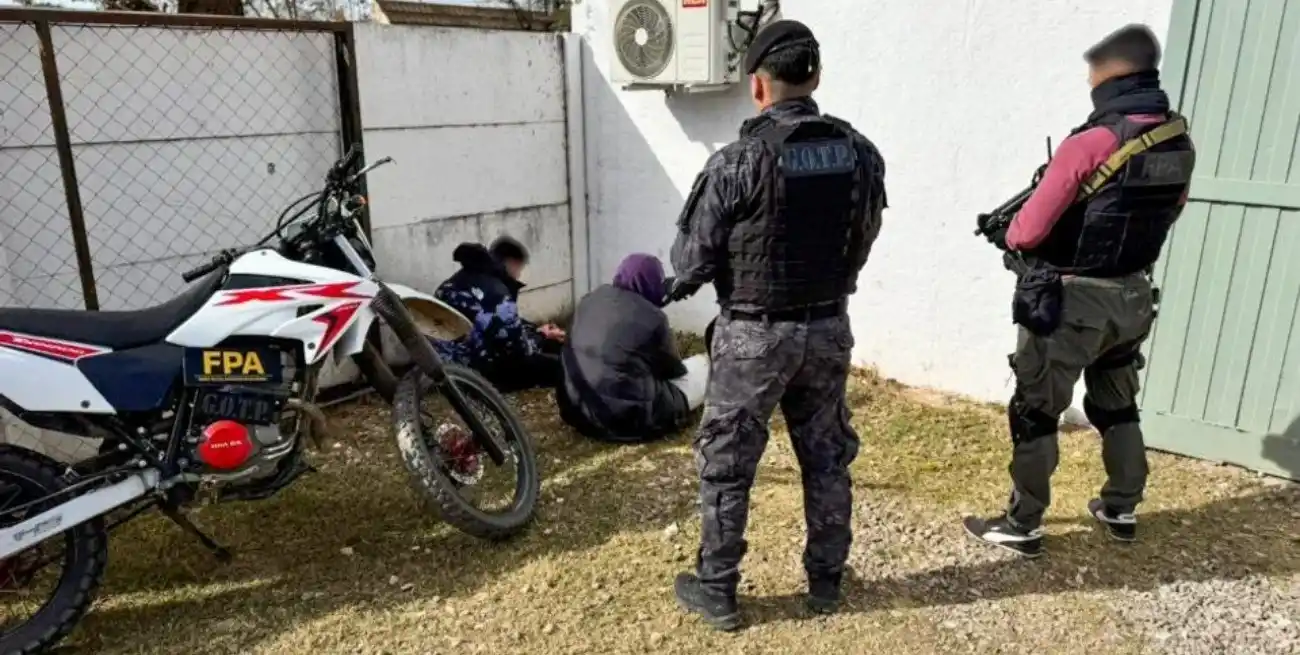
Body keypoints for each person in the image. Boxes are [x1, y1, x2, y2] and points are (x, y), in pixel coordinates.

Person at [664, 20, 887, 630]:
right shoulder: (861, 152)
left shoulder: (735, 163)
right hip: (827, 327)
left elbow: (690, 262)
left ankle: (718, 589)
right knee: (826, 457)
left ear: (757, 86)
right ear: (815, 78)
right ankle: (825, 581)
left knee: (727, 463)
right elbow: (863, 240)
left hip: (754, 335)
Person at [964, 24, 1195, 557]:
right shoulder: (1179, 140)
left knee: (1036, 410)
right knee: (1118, 406)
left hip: (1072, 301)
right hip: (1134, 296)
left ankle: (1023, 525)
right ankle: (1121, 506)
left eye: (1092, 71)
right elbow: (1172, 209)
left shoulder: (1091, 142)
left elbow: (1025, 232)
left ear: (1112, 74)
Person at [555, 253, 710, 443]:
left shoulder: (590, 299)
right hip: (628, 421)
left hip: (576, 411)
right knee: (704, 368)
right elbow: (674, 371)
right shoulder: (653, 317)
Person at [432, 235, 566, 393]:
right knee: (559, 367)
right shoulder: (497, 292)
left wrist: (534, 329)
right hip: (473, 373)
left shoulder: (457, 281)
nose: (518, 275)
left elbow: (493, 322)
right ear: (512, 263)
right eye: (519, 269)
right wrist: (542, 337)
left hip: (444, 362)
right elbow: (517, 350)